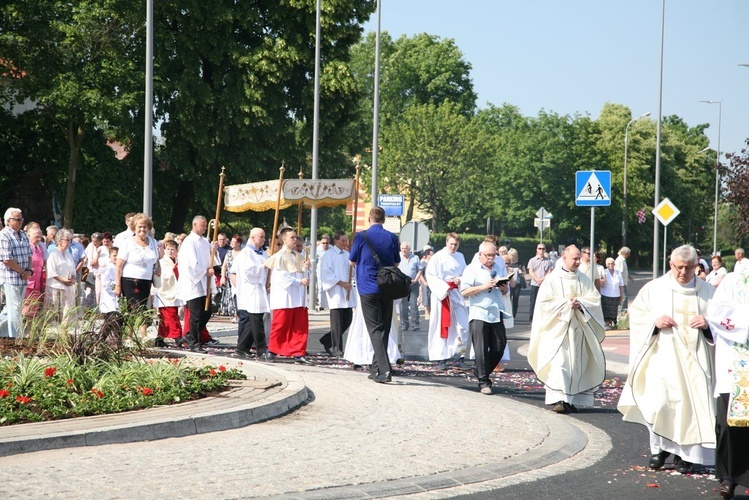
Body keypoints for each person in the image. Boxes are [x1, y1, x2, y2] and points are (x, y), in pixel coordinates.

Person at [618, 245, 716, 474]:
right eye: (679, 267)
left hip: (696, 361)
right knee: (660, 404)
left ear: (697, 266)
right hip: (662, 357)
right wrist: (655, 321)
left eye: (689, 268)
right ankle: (659, 449)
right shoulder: (655, 288)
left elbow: (720, 320)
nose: (683, 272)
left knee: (688, 409)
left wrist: (708, 323)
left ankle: (686, 456)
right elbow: (638, 314)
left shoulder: (708, 291)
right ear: (671, 264)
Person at [527, 245, 605, 414]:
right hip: (557, 331)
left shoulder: (583, 279)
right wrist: (566, 304)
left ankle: (571, 400)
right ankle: (559, 400)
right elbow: (544, 304)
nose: (578, 261)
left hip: (578, 330)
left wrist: (581, 303)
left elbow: (594, 300)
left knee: (575, 365)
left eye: (579, 258)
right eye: (575, 258)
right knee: (560, 364)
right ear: (564, 258)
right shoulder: (552, 279)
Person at [706, 265, 749, 499]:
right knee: (729, 427)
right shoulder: (734, 280)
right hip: (735, 367)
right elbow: (717, 314)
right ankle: (729, 478)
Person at [348, 207, 401, 383]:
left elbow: (352, 261)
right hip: (387, 287)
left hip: (368, 287)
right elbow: (396, 262)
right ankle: (376, 369)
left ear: (370, 219)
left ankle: (384, 370)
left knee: (375, 329)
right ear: (384, 220)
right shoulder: (392, 237)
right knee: (383, 328)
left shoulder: (361, 236)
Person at [460, 241, 511, 395]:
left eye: (493, 255)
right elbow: (464, 291)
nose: (491, 258)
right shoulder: (472, 268)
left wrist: (504, 287)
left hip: (496, 311)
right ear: (480, 254)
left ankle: (480, 370)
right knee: (480, 349)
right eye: (488, 255)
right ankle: (484, 382)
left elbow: (505, 289)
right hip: (479, 312)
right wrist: (484, 286)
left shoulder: (497, 267)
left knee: (499, 346)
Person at [265, 227, 311, 363]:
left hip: (298, 296)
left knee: (299, 326)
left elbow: (302, 273)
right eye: (292, 237)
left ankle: (298, 352)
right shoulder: (279, 256)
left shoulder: (299, 256)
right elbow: (282, 278)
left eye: (296, 237)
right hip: (284, 296)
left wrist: (307, 268)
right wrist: (299, 281)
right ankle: (272, 350)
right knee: (281, 324)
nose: (295, 240)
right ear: (284, 239)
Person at [425, 233, 469, 370]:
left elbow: (466, 274)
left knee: (462, 326)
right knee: (441, 326)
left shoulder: (460, 257)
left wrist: (460, 280)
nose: (453, 247)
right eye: (451, 244)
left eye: (456, 245)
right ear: (446, 242)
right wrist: (444, 287)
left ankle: (459, 356)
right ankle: (441, 358)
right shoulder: (437, 257)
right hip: (442, 295)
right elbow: (431, 276)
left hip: (456, 294)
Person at [176, 215, 217, 353]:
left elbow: (211, 259)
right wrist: (204, 271)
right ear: (194, 225)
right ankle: (194, 343)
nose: (205, 228)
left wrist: (213, 249)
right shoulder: (189, 242)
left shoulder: (205, 242)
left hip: (204, 281)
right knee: (196, 314)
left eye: (205, 225)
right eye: (202, 225)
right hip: (193, 281)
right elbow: (190, 264)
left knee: (207, 311)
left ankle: (189, 336)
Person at [231, 227, 271, 360]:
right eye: (261, 236)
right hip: (251, 289)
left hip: (260, 289)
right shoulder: (246, 253)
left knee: (251, 321)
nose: (264, 239)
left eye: (264, 236)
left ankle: (242, 348)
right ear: (253, 238)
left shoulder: (264, 253)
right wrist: (263, 267)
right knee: (256, 320)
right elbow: (249, 272)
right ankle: (261, 350)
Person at [319, 230, 355, 357]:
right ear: (336, 241)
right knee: (337, 322)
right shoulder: (329, 255)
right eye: (343, 241)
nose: (345, 243)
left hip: (347, 291)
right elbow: (326, 274)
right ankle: (337, 348)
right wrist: (341, 283)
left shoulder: (347, 254)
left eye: (346, 240)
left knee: (348, 320)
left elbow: (352, 271)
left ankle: (327, 340)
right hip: (336, 292)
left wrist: (353, 267)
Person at [114, 213, 160, 310]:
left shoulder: (153, 242)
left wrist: (158, 268)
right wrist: (118, 285)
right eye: (140, 227)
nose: (142, 229)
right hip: (130, 281)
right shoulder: (127, 243)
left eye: (145, 227)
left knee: (141, 310)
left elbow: (156, 260)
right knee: (136, 312)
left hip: (147, 282)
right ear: (134, 228)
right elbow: (118, 266)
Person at [0, 208, 33, 337]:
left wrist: (29, 271)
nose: (21, 222)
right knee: (14, 309)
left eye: (22, 219)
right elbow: (7, 259)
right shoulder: (4, 235)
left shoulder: (23, 235)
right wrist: (22, 271)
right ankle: (16, 338)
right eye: (18, 220)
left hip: (23, 277)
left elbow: (29, 254)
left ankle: (3, 335)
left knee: (12, 309)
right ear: (8, 221)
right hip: (10, 277)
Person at [153, 239, 183, 347]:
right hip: (164, 293)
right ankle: (178, 336)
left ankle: (159, 338)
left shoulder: (178, 261)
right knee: (170, 316)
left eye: (173, 249)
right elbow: (162, 276)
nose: (171, 252)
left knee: (166, 318)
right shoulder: (162, 262)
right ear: (165, 250)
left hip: (174, 291)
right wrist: (173, 270)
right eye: (168, 249)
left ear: (176, 250)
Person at [45, 229, 77, 324]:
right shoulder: (53, 253)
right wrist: (63, 281)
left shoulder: (68, 254)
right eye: (67, 240)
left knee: (67, 314)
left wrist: (73, 278)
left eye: (70, 240)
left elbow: (73, 270)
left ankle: (65, 333)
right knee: (54, 314)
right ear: (59, 240)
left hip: (68, 288)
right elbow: (51, 272)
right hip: (55, 287)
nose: (69, 242)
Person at [23, 226, 46, 318]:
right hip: (27, 282)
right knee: (25, 306)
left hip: (37, 283)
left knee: (34, 307)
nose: (38, 239)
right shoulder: (26, 247)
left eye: (40, 237)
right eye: (36, 236)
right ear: (28, 235)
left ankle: (31, 329)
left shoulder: (40, 248)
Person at [397, 242, 421, 332]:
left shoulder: (415, 258)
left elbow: (419, 270)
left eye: (405, 248)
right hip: (402, 285)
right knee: (403, 305)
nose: (403, 250)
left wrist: (416, 279)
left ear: (409, 249)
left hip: (413, 284)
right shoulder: (398, 257)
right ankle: (404, 324)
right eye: (402, 248)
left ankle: (415, 324)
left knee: (413, 304)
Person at [220, 234, 242, 321]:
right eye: (231, 242)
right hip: (229, 278)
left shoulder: (243, 253)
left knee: (238, 296)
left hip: (239, 278)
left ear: (239, 243)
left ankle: (239, 313)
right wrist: (223, 277)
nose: (232, 244)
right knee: (231, 296)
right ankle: (234, 314)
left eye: (235, 242)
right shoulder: (229, 253)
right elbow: (224, 266)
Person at [527, 243, 552, 322]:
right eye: (539, 248)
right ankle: (531, 320)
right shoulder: (532, 260)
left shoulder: (548, 261)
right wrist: (537, 280)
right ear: (537, 249)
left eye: (543, 249)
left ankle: (542, 319)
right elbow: (531, 272)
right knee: (533, 303)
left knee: (544, 303)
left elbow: (549, 272)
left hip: (544, 285)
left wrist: (542, 280)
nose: (541, 250)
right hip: (535, 284)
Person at [600, 257, 624, 329]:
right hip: (606, 294)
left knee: (614, 311)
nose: (611, 265)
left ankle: (612, 324)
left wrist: (621, 296)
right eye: (609, 263)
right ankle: (607, 324)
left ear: (614, 264)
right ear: (606, 265)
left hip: (615, 295)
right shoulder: (604, 272)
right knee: (606, 310)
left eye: (612, 263)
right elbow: (600, 282)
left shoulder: (618, 272)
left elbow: (621, 285)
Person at [507, 248, 525, 319]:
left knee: (515, 299)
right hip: (509, 283)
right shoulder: (507, 263)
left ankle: (514, 315)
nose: (511, 257)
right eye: (510, 255)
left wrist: (521, 272)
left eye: (512, 255)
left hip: (517, 284)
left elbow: (524, 272)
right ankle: (508, 313)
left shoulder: (519, 263)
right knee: (508, 298)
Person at [615, 246, 634, 313]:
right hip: (621, 282)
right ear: (625, 253)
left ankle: (623, 310)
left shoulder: (622, 260)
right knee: (624, 297)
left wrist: (629, 276)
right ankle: (623, 311)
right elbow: (619, 272)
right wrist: (621, 283)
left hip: (623, 281)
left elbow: (624, 271)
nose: (628, 256)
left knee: (624, 296)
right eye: (628, 254)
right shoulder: (620, 260)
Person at [418, 245, 434, 320]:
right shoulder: (423, 263)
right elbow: (420, 274)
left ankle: (431, 312)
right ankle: (426, 312)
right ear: (427, 255)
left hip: (432, 283)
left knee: (431, 298)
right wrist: (424, 282)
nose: (432, 256)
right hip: (425, 283)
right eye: (431, 255)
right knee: (426, 297)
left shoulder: (433, 263)